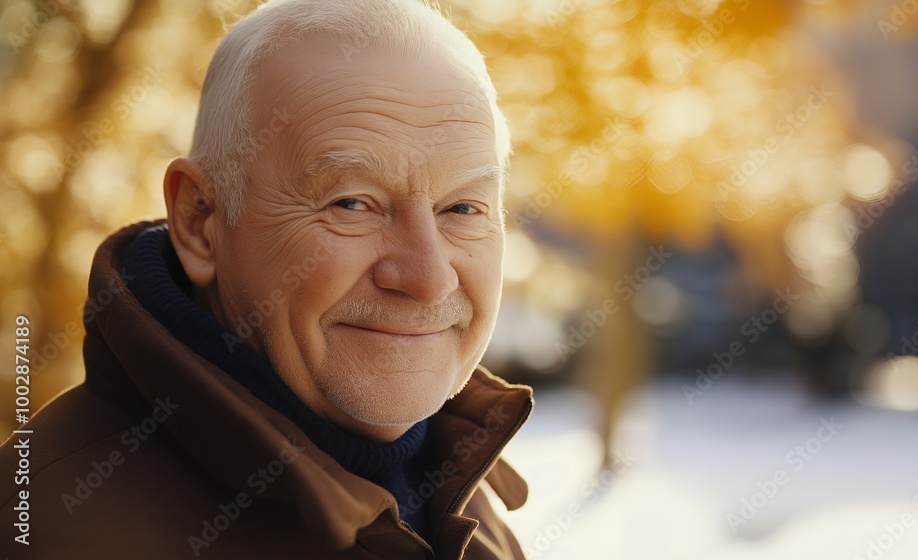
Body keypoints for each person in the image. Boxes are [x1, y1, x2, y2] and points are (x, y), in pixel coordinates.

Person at [0, 0, 533, 558]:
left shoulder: (464, 503)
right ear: (201, 222)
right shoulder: (45, 528)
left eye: (464, 209)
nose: (429, 279)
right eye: (352, 203)